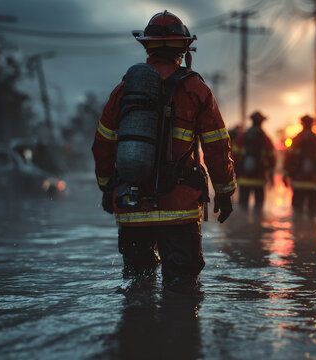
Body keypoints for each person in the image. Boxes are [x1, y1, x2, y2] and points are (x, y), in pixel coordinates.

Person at [92, 11, 236, 282]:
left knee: (137, 288)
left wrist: (107, 187)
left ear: (147, 47)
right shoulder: (196, 90)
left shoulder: (123, 91)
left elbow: (102, 144)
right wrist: (225, 192)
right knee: (182, 293)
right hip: (180, 211)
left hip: (132, 206)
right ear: (183, 48)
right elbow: (217, 147)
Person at [282, 115, 316, 217]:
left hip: (298, 182)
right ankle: (311, 231)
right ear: (312, 124)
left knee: (297, 213)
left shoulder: (296, 140)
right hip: (314, 183)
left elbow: (288, 159)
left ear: (302, 124)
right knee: (312, 213)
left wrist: (285, 175)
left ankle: (297, 231)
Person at [232, 111, 276, 212]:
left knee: (243, 206)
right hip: (260, 178)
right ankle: (258, 225)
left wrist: (235, 172)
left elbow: (233, 156)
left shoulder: (242, 137)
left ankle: (243, 225)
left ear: (252, 121)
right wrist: (271, 175)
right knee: (258, 208)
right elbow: (272, 159)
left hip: (244, 178)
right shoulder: (266, 139)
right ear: (262, 122)